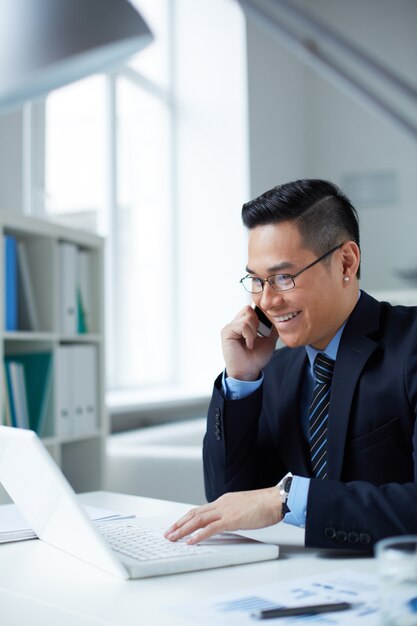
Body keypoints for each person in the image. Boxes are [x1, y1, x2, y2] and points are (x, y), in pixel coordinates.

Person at [165, 179, 417, 551]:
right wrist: (242, 378)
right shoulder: (278, 370)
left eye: (284, 277)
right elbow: (226, 500)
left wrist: (287, 499)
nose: (267, 301)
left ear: (346, 262)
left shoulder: (409, 346)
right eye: (255, 280)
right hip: (307, 581)